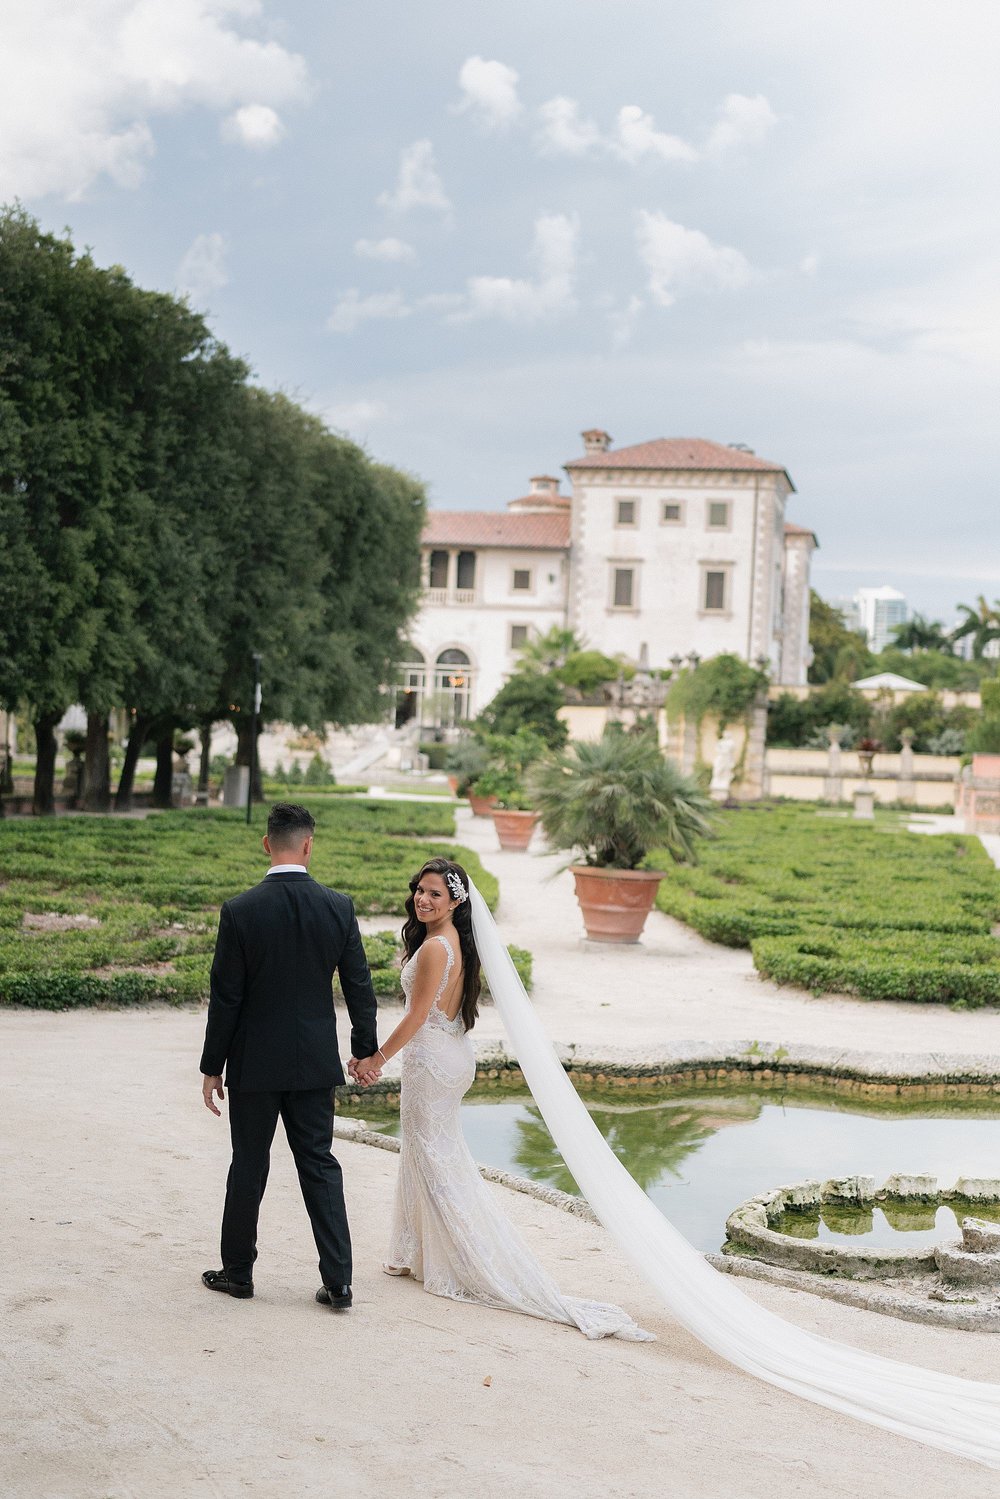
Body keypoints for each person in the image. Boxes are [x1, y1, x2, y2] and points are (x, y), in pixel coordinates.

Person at [351, 857, 652, 1341]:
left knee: (431, 1156)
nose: (423, 900)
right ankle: (414, 1252)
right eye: (419, 891)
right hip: (450, 1055)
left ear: (455, 902)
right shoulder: (456, 944)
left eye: (435, 894)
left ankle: (462, 1257)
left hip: (431, 1061)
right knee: (431, 1152)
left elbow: (415, 1016)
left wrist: (376, 1059)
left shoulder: (434, 949)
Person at [200, 802, 378, 1311]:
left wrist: (213, 1065)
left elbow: (226, 998)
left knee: (248, 1165)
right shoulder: (338, 906)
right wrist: (364, 1051)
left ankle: (237, 1274)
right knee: (319, 1165)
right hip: (313, 1063)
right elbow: (359, 988)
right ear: (308, 845)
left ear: (266, 844)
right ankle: (339, 1282)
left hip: (254, 1064)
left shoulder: (240, 910)